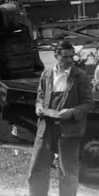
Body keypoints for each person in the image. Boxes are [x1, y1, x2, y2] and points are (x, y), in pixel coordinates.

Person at [28, 40, 94, 196]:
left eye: (72, 56)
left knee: (67, 172)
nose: (70, 60)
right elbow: (40, 95)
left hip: (69, 131)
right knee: (37, 169)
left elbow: (89, 104)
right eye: (65, 57)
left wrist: (71, 112)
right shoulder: (47, 74)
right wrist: (38, 107)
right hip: (46, 129)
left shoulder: (80, 76)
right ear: (55, 56)